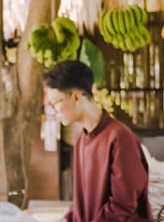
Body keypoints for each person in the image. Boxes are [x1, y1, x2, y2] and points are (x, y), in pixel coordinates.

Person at [43, 61, 152, 222]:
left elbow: (123, 206)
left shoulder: (119, 138)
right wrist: (67, 219)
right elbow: (80, 201)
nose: (54, 111)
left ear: (74, 97)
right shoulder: (80, 139)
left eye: (55, 103)